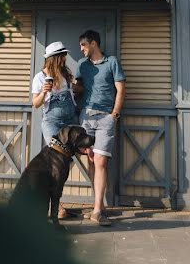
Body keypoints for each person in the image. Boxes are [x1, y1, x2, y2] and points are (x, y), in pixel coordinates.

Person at [73, 30, 125, 227]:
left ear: (93, 43)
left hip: (105, 118)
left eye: (83, 45)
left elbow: (121, 89)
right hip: (85, 116)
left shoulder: (112, 62)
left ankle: (97, 210)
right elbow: (78, 88)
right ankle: (98, 206)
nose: (81, 49)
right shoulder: (81, 65)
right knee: (92, 160)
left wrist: (114, 115)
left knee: (101, 161)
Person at [31, 40, 80, 219]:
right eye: (62, 56)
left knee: (67, 160)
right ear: (54, 58)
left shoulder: (66, 74)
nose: (65, 58)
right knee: (56, 164)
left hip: (70, 121)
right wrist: (44, 92)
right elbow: (35, 104)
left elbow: (74, 94)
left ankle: (55, 200)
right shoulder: (40, 77)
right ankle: (57, 207)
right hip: (52, 122)